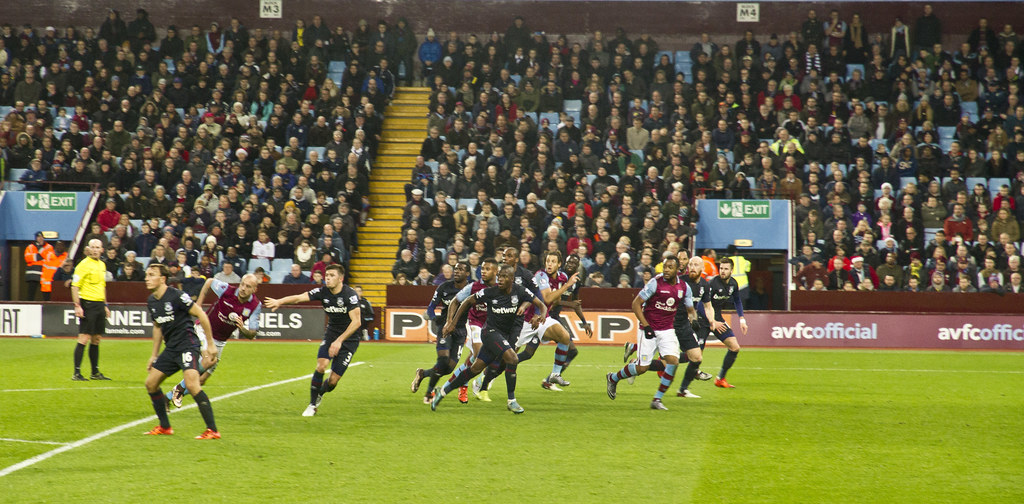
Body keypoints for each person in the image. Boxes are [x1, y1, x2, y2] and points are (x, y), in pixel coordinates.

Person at [432, 264, 546, 414]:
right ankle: (511, 401)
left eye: (504, 277)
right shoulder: (490, 292)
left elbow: (541, 304)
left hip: (507, 334)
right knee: (512, 359)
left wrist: (539, 315)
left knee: (475, 369)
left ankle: (442, 391)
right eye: (499, 276)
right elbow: (467, 301)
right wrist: (452, 323)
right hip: (490, 332)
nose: (500, 279)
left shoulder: (520, 290)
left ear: (512, 279)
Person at [265, 265, 361, 417]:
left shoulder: (350, 295)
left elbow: (356, 322)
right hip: (332, 334)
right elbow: (299, 297)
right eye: (326, 275)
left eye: (332, 275)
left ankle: (320, 393)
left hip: (349, 339)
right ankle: (312, 404)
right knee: (321, 366)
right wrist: (279, 301)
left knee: (333, 382)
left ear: (340, 279)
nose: (327, 278)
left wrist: (339, 341)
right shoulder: (322, 292)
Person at [606, 256, 696, 410]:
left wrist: (694, 320)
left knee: (673, 362)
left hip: (667, 330)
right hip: (649, 329)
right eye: (665, 266)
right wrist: (646, 326)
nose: (666, 270)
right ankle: (613, 378)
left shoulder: (684, 287)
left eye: (670, 267)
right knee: (642, 368)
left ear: (677, 270)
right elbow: (636, 304)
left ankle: (657, 399)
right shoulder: (655, 283)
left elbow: (690, 309)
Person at [143, 263, 220, 439]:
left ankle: (213, 430)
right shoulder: (152, 301)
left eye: (151, 275)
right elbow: (157, 326)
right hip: (171, 348)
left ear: (162, 279)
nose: (147, 278)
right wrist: (154, 355)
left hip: (187, 345)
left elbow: (201, 314)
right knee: (151, 383)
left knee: (192, 384)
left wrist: (210, 344)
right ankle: (165, 427)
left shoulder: (177, 296)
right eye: (147, 275)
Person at [165, 275, 261, 407]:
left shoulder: (255, 305)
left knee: (202, 379)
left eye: (248, 286)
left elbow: (252, 334)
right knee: (209, 360)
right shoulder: (227, 290)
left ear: (254, 289)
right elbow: (209, 282)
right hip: (204, 331)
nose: (243, 288)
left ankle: (168, 397)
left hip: (220, 341)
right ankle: (180, 389)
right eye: (242, 284)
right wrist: (198, 305)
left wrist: (242, 328)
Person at [412, 262, 471, 404]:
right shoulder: (444, 287)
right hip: (445, 329)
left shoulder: (471, 289)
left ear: (467, 274)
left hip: (460, 331)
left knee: (448, 368)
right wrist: (434, 319)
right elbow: (431, 308)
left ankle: (422, 374)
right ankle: (428, 393)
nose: (457, 271)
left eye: (461, 269)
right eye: (456, 269)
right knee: (443, 360)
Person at [452, 257, 498, 401]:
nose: (483, 271)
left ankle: (457, 385)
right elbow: (456, 301)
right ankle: (477, 384)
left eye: (487, 269)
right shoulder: (473, 287)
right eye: (482, 268)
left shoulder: (502, 286)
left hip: (491, 327)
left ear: (495, 271)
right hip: (475, 323)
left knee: (473, 360)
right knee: (480, 356)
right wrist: (450, 322)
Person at [70, 239, 111, 381]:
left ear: (102, 250)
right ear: (88, 249)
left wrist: (105, 305)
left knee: (96, 339)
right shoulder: (83, 265)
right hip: (87, 304)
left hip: (99, 304)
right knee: (84, 337)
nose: (95, 250)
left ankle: (95, 372)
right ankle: (76, 373)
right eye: (92, 247)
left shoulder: (102, 265)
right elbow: (75, 286)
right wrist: (77, 305)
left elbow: (102, 286)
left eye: (97, 247)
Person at [707, 257, 748, 388]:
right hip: (703, 319)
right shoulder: (712, 283)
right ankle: (665, 362)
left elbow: (737, 301)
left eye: (725, 269)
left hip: (717, 319)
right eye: (721, 268)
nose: (722, 271)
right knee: (694, 355)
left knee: (735, 347)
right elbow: (702, 305)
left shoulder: (733, 284)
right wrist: (711, 321)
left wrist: (742, 319)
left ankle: (720, 378)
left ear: (731, 270)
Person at [23, 231, 54, 302]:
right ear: (36, 238)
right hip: (32, 274)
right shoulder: (30, 247)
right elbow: (27, 258)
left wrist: (37, 253)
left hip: (44, 274)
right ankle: (29, 306)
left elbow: (49, 257)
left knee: (46, 294)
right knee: (31, 293)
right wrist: (40, 256)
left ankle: (48, 306)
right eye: (38, 237)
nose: (40, 238)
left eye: (41, 237)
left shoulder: (49, 247)